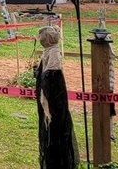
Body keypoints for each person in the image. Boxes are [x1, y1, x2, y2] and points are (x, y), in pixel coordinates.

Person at [36, 26, 78, 169]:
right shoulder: (48, 52)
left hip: (55, 105)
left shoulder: (54, 54)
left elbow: (53, 80)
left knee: (57, 135)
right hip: (49, 103)